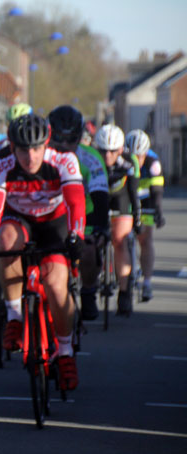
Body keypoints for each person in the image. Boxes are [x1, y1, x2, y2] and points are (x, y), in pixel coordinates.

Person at [0, 113, 85, 391]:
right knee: (6, 239)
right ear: (12, 147)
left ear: (46, 143)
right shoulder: (0, 162)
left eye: (36, 148)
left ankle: (65, 352)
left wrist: (77, 236)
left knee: (56, 284)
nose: (30, 156)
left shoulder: (63, 160)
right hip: (19, 219)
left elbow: (75, 202)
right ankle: (14, 316)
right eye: (23, 149)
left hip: (54, 222)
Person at [48, 105, 109, 320]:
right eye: (58, 140)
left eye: (71, 140)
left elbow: (101, 197)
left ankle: (88, 293)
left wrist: (101, 228)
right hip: (51, 215)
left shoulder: (91, 158)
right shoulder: (40, 155)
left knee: (89, 250)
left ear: (79, 137)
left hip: (85, 215)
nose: (64, 146)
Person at [92, 124, 141, 315]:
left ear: (121, 149)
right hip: (99, 198)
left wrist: (136, 216)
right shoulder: (93, 161)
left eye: (112, 151)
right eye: (103, 151)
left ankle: (124, 292)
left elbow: (133, 193)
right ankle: (91, 283)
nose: (107, 156)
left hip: (121, 198)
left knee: (120, 241)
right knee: (93, 241)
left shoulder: (130, 161)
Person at [125, 129, 165, 301]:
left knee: (146, 239)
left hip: (146, 198)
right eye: (133, 156)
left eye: (139, 156)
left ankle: (147, 282)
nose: (136, 160)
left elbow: (156, 191)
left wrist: (158, 211)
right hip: (127, 196)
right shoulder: (122, 160)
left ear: (146, 153)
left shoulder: (153, 162)